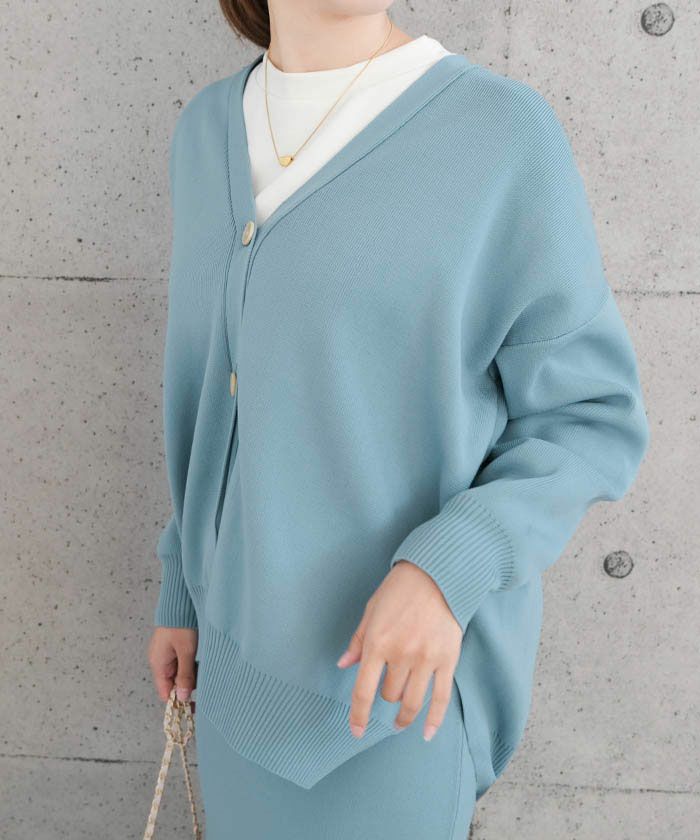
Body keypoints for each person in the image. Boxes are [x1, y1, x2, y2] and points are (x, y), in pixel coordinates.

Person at [146, 2, 651, 838]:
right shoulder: (205, 132)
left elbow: (590, 413)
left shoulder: (499, 133)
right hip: (231, 675)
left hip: (395, 692)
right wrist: (181, 581)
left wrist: (446, 570)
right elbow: (215, 394)